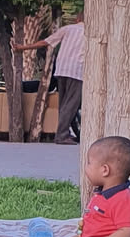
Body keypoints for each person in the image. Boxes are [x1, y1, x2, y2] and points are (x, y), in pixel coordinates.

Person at [49, 136, 130, 237]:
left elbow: (127, 232)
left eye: (89, 163)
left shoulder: (123, 199)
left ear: (104, 170)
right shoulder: (101, 194)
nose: (86, 167)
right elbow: (95, 223)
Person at [22, 12, 85, 142]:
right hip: (77, 71)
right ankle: (62, 135)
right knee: (71, 104)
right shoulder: (90, 34)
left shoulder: (67, 29)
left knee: (63, 103)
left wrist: (23, 47)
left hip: (61, 70)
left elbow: (45, 42)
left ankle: (64, 132)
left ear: (77, 19)